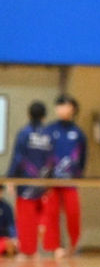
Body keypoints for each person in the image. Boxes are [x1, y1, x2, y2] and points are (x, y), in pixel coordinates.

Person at [5, 101, 52, 257]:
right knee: (43, 217)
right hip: (45, 183)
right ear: (44, 116)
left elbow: (18, 158)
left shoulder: (24, 133)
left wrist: (11, 178)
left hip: (26, 183)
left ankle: (28, 250)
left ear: (29, 114)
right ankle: (44, 248)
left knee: (26, 219)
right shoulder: (49, 134)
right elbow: (52, 159)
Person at [46, 95, 87, 258]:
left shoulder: (78, 133)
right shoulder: (49, 130)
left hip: (70, 180)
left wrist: (79, 175)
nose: (63, 109)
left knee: (73, 213)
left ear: (73, 109)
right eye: (60, 106)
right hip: (51, 180)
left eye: (66, 106)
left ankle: (73, 245)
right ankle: (55, 246)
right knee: (51, 213)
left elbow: (83, 157)